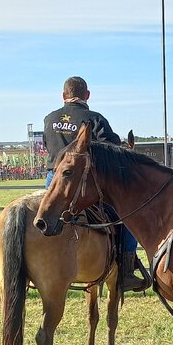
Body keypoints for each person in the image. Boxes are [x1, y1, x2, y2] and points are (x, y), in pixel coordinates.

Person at [43, 76, 147, 292]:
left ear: (63, 95)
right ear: (87, 95)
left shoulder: (49, 119)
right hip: (82, 185)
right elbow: (113, 151)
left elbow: (47, 146)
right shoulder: (95, 119)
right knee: (125, 218)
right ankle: (126, 271)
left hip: (53, 181)